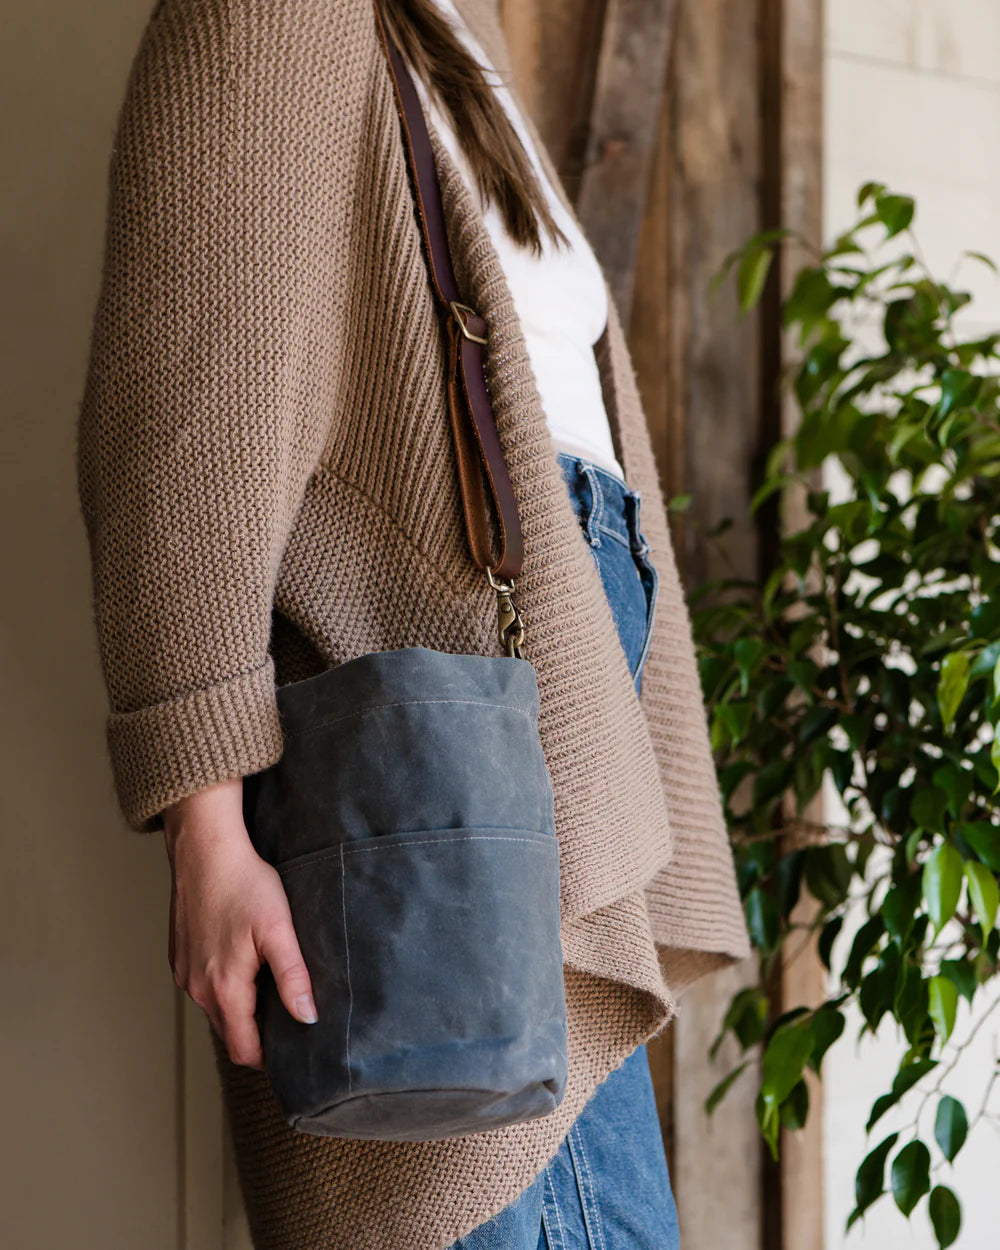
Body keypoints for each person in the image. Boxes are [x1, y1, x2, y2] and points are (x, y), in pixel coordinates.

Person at [77, 1, 750, 1246]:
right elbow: (181, 417)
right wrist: (205, 818)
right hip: (441, 750)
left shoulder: (453, 21)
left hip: (538, 691)